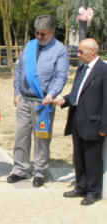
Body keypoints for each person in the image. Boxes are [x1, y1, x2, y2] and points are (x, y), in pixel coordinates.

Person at [7, 15, 69, 187]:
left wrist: (52, 94)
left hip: (44, 102)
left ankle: (40, 171)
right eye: (37, 33)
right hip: (24, 99)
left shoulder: (60, 50)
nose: (39, 37)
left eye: (44, 34)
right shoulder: (30, 45)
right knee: (21, 136)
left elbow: (61, 76)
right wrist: (16, 91)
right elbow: (20, 69)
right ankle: (19, 169)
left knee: (41, 137)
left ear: (52, 32)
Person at [53, 38, 107, 206]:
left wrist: (104, 126)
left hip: (94, 123)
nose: (78, 54)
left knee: (92, 160)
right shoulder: (82, 69)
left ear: (93, 51)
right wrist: (64, 100)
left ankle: (93, 191)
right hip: (77, 119)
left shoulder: (103, 71)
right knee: (79, 157)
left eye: (81, 51)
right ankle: (81, 186)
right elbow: (77, 93)